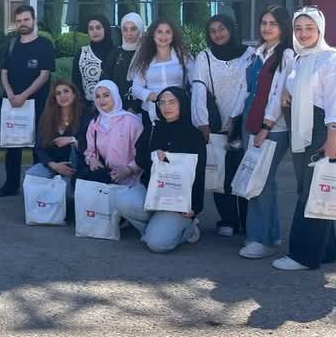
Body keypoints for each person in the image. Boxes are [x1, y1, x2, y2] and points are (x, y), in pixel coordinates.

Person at [273, 7, 336, 271]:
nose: (303, 33)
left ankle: (303, 256)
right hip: (304, 128)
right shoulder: (302, 58)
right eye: (298, 28)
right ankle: (325, 251)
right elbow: (299, 86)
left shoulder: (332, 59)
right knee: (315, 189)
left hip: (325, 128)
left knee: (312, 192)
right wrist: (287, 93)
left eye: (310, 28)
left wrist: (332, 138)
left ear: (320, 30)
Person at [113, 87, 207, 252]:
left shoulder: (193, 135)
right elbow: (140, 159)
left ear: (182, 104)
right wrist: (153, 155)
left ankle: (189, 229)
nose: (166, 107)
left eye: (172, 102)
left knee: (158, 245)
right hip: (152, 191)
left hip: (178, 198)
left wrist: (195, 207)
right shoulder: (153, 129)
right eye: (162, 102)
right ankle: (154, 230)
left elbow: (199, 172)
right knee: (123, 202)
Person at [235, 5, 295, 259]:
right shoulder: (257, 53)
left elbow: (280, 94)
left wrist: (266, 127)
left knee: (260, 182)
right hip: (251, 123)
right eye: (264, 23)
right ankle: (268, 233)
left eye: (273, 24)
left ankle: (263, 240)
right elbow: (246, 90)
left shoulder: (287, 55)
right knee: (260, 180)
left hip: (272, 128)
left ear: (283, 27)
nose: (267, 28)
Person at [192, 14, 253, 238]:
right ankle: (228, 219)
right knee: (220, 173)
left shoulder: (249, 54)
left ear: (231, 29)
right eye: (212, 31)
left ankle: (247, 221)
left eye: (222, 28)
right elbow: (199, 89)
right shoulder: (204, 57)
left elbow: (248, 87)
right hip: (215, 123)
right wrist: (202, 122)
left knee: (244, 172)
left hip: (243, 122)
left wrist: (236, 118)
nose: (217, 34)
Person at [0, 5, 56, 197]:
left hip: (38, 104)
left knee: (39, 146)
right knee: (13, 147)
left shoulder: (44, 44)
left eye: (26, 19)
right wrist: (11, 94)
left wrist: (24, 96)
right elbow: (4, 72)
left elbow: (44, 75)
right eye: (19, 21)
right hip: (13, 104)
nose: (23, 24)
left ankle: (37, 187)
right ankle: (10, 185)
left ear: (34, 20)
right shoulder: (12, 44)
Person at [24, 80, 83, 203]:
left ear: (74, 94)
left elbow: (89, 145)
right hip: (51, 164)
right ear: (54, 98)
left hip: (73, 168)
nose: (62, 96)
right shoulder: (47, 116)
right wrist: (53, 165)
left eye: (66, 91)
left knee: (66, 194)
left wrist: (72, 139)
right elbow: (39, 148)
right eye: (58, 93)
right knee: (31, 177)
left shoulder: (84, 115)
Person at [130, 18, 195, 124]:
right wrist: (153, 96)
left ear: (173, 35)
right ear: (153, 35)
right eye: (159, 32)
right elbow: (136, 88)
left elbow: (195, 82)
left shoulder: (184, 56)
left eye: (168, 32)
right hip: (152, 114)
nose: (163, 36)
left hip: (180, 112)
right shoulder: (145, 59)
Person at [81, 80, 144, 188]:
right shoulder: (94, 123)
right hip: (105, 181)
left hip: (132, 183)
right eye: (97, 96)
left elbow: (143, 153)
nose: (101, 100)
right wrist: (92, 159)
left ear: (115, 95)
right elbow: (90, 151)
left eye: (106, 95)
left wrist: (128, 170)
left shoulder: (131, 121)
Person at [71, 14, 114, 116]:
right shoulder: (82, 53)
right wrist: (84, 104)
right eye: (91, 28)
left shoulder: (117, 53)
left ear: (105, 29)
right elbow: (76, 80)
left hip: (112, 108)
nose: (94, 31)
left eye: (98, 28)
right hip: (86, 109)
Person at [105, 11, 144, 113]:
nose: (129, 33)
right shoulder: (115, 53)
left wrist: (134, 107)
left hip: (141, 109)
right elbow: (106, 80)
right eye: (125, 29)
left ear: (140, 29)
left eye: (133, 29)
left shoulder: (146, 53)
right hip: (116, 108)